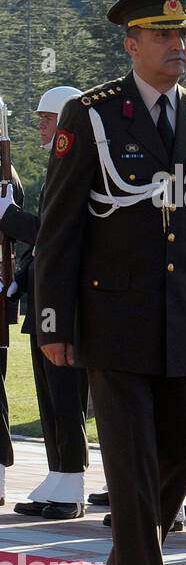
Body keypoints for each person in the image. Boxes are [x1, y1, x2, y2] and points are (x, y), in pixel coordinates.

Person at [33, 0, 186, 565]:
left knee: (181, 457)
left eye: (184, 36)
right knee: (130, 467)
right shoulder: (92, 115)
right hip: (112, 320)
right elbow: (59, 228)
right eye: (163, 36)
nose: (178, 46)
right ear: (131, 43)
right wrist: (55, 321)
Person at [2, 86, 89, 520]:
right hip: (44, 296)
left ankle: (71, 478)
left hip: (68, 303)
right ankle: (59, 472)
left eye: (46, 117)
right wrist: (21, 276)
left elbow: (58, 234)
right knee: (50, 396)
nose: (40, 125)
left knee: (67, 395)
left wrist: (11, 219)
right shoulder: (57, 166)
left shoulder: (75, 168)